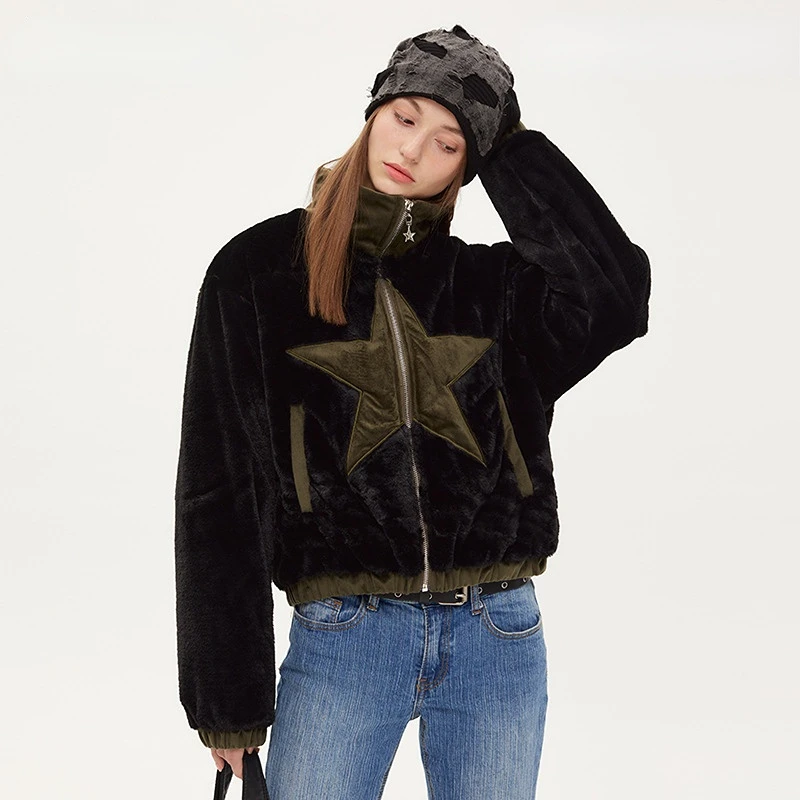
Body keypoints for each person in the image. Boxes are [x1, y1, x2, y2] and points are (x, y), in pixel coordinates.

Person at [174, 23, 651, 799]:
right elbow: (218, 492)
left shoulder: (494, 289)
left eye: (449, 142)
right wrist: (227, 701)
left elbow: (617, 297)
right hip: (346, 639)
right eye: (405, 118)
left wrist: (511, 146)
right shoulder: (255, 276)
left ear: (471, 164)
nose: (413, 150)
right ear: (374, 112)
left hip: (499, 633)